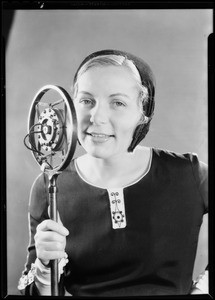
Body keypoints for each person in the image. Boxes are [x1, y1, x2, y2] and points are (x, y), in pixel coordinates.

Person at [18, 49, 208, 296]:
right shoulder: (49, 187)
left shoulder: (189, 175)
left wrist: (204, 289)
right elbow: (35, 292)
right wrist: (44, 267)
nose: (97, 117)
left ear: (144, 113)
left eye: (117, 103)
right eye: (86, 101)